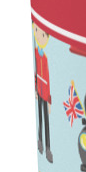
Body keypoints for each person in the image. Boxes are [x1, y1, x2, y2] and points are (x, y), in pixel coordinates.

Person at [32, 20, 52, 160]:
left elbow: (48, 80)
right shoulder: (36, 53)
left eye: (43, 35)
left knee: (46, 120)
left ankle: (48, 148)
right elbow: (35, 72)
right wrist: (35, 88)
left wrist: (49, 100)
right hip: (39, 91)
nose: (39, 36)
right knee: (39, 118)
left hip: (45, 93)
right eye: (36, 31)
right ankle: (40, 141)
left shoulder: (44, 58)